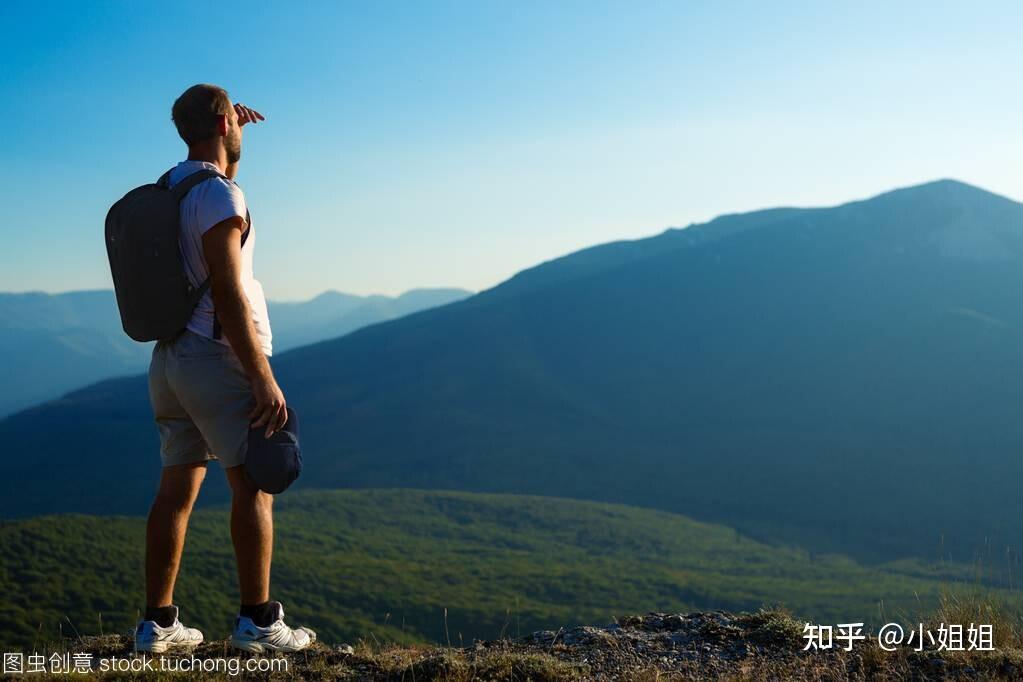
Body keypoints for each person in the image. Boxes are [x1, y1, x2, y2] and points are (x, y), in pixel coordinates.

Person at [134, 83, 315, 654]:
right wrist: (259, 373)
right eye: (231, 120)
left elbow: (219, 161)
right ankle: (258, 623)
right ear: (220, 127)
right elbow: (229, 290)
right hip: (217, 357)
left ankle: (157, 626)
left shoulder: (175, 187)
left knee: (177, 488)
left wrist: (227, 133)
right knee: (255, 485)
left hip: (170, 361)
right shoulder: (219, 197)